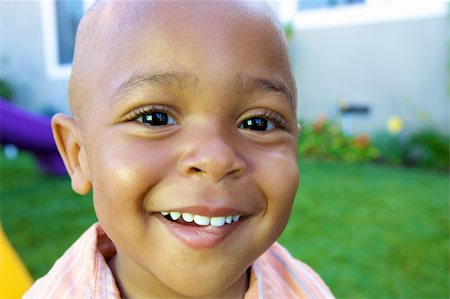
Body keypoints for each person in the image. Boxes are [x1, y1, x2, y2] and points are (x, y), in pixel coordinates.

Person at [24, 1, 334, 298]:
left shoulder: (306, 288)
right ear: (78, 154)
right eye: (155, 119)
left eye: (258, 124)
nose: (216, 159)